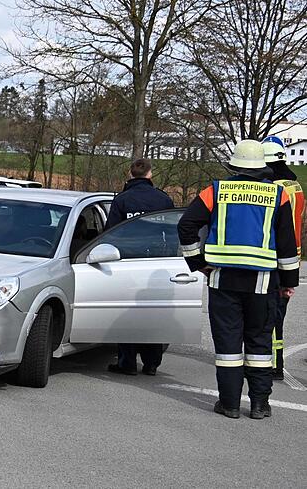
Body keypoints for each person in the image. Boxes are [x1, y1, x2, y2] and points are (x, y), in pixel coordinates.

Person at [177, 140, 299, 420]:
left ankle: (230, 404)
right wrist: (288, 281)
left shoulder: (216, 191)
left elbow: (186, 225)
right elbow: (286, 243)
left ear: (234, 166)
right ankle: (259, 405)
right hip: (262, 282)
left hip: (222, 279)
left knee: (228, 346)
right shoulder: (278, 195)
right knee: (259, 344)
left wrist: (198, 262)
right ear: (262, 167)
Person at [106, 158, 175, 376]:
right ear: (150, 174)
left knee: (128, 312)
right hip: (156, 262)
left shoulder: (122, 200)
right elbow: (173, 233)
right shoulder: (163, 199)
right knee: (153, 313)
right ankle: (152, 363)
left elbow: (110, 233)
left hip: (128, 262)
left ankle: (127, 363)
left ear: (130, 173)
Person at [262, 136, 304, 380]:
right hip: (292, 257)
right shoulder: (295, 185)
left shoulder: (276, 189)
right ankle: (275, 361)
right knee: (278, 315)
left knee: (270, 314)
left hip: (277, 256)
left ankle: (271, 364)